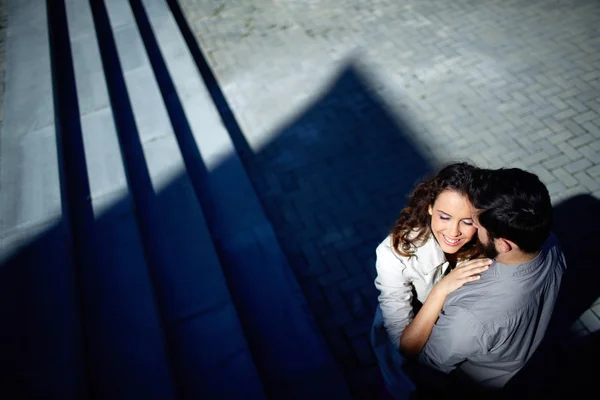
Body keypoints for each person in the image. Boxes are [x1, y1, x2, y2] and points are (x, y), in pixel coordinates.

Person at [417, 167, 567, 392]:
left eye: (476, 225)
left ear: (503, 244)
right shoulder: (550, 245)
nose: (472, 228)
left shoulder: (470, 316)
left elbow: (430, 365)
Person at [370, 163, 492, 399]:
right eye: (444, 217)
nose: (454, 232)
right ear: (429, 208)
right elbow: (405, 346)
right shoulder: (394, 254)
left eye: (467, 221)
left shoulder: (487, 237)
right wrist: (442, 289)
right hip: (409, 354)